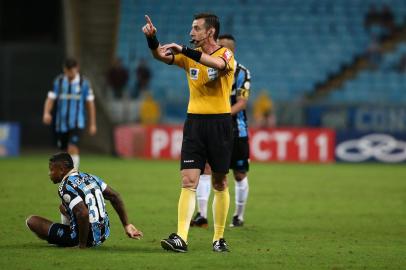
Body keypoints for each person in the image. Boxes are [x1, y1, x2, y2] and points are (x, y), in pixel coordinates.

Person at [142, 13, 235, 252]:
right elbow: (160, 55)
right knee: (188, 180)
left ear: (210, 32)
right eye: (191, 28)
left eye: (196, 28)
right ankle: (181, 238)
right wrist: (153, 39)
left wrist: (184, 49)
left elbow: (218, 65)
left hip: (220, 124)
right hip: (194, 124)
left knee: (220, 181)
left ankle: (218, 238)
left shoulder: (225, 54)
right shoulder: (187, 57)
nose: (191, 32)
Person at [191, 34, 251, 228]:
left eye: (221, 46)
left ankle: (238, 217)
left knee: (239, 174)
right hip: (214, 128)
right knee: (206, 169)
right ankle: (202, 215)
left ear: (230, 51)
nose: (216, 48)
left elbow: (242, 102)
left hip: (236, 130)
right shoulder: (208, 68)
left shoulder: (242, 72)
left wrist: (223, 114)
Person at [25, 152, 143, 248]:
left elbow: (83, 214)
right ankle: (72, 234)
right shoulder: (90, 176)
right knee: (63, 207)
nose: (49, 174)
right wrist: (126, 225)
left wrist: (82, 245)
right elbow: (115, 196)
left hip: (87, 239)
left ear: (61, 169)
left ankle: (71, 239)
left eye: (51, 170)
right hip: (103, 234)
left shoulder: (65, 187)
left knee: (31, 221)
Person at [42, 58, 97, 169]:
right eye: (67, 71)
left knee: (73, 146)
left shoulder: (84, 83)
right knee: (63, 152)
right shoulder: (59, 81)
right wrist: (46, 113)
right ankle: (66, 174)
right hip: (61, 123)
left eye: (71, 71)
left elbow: (90, 104)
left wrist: (92, 124)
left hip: (77, 122)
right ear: (64, 69)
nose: (69, 74)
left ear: (77, 69)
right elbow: (50, 98)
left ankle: (73, 174)